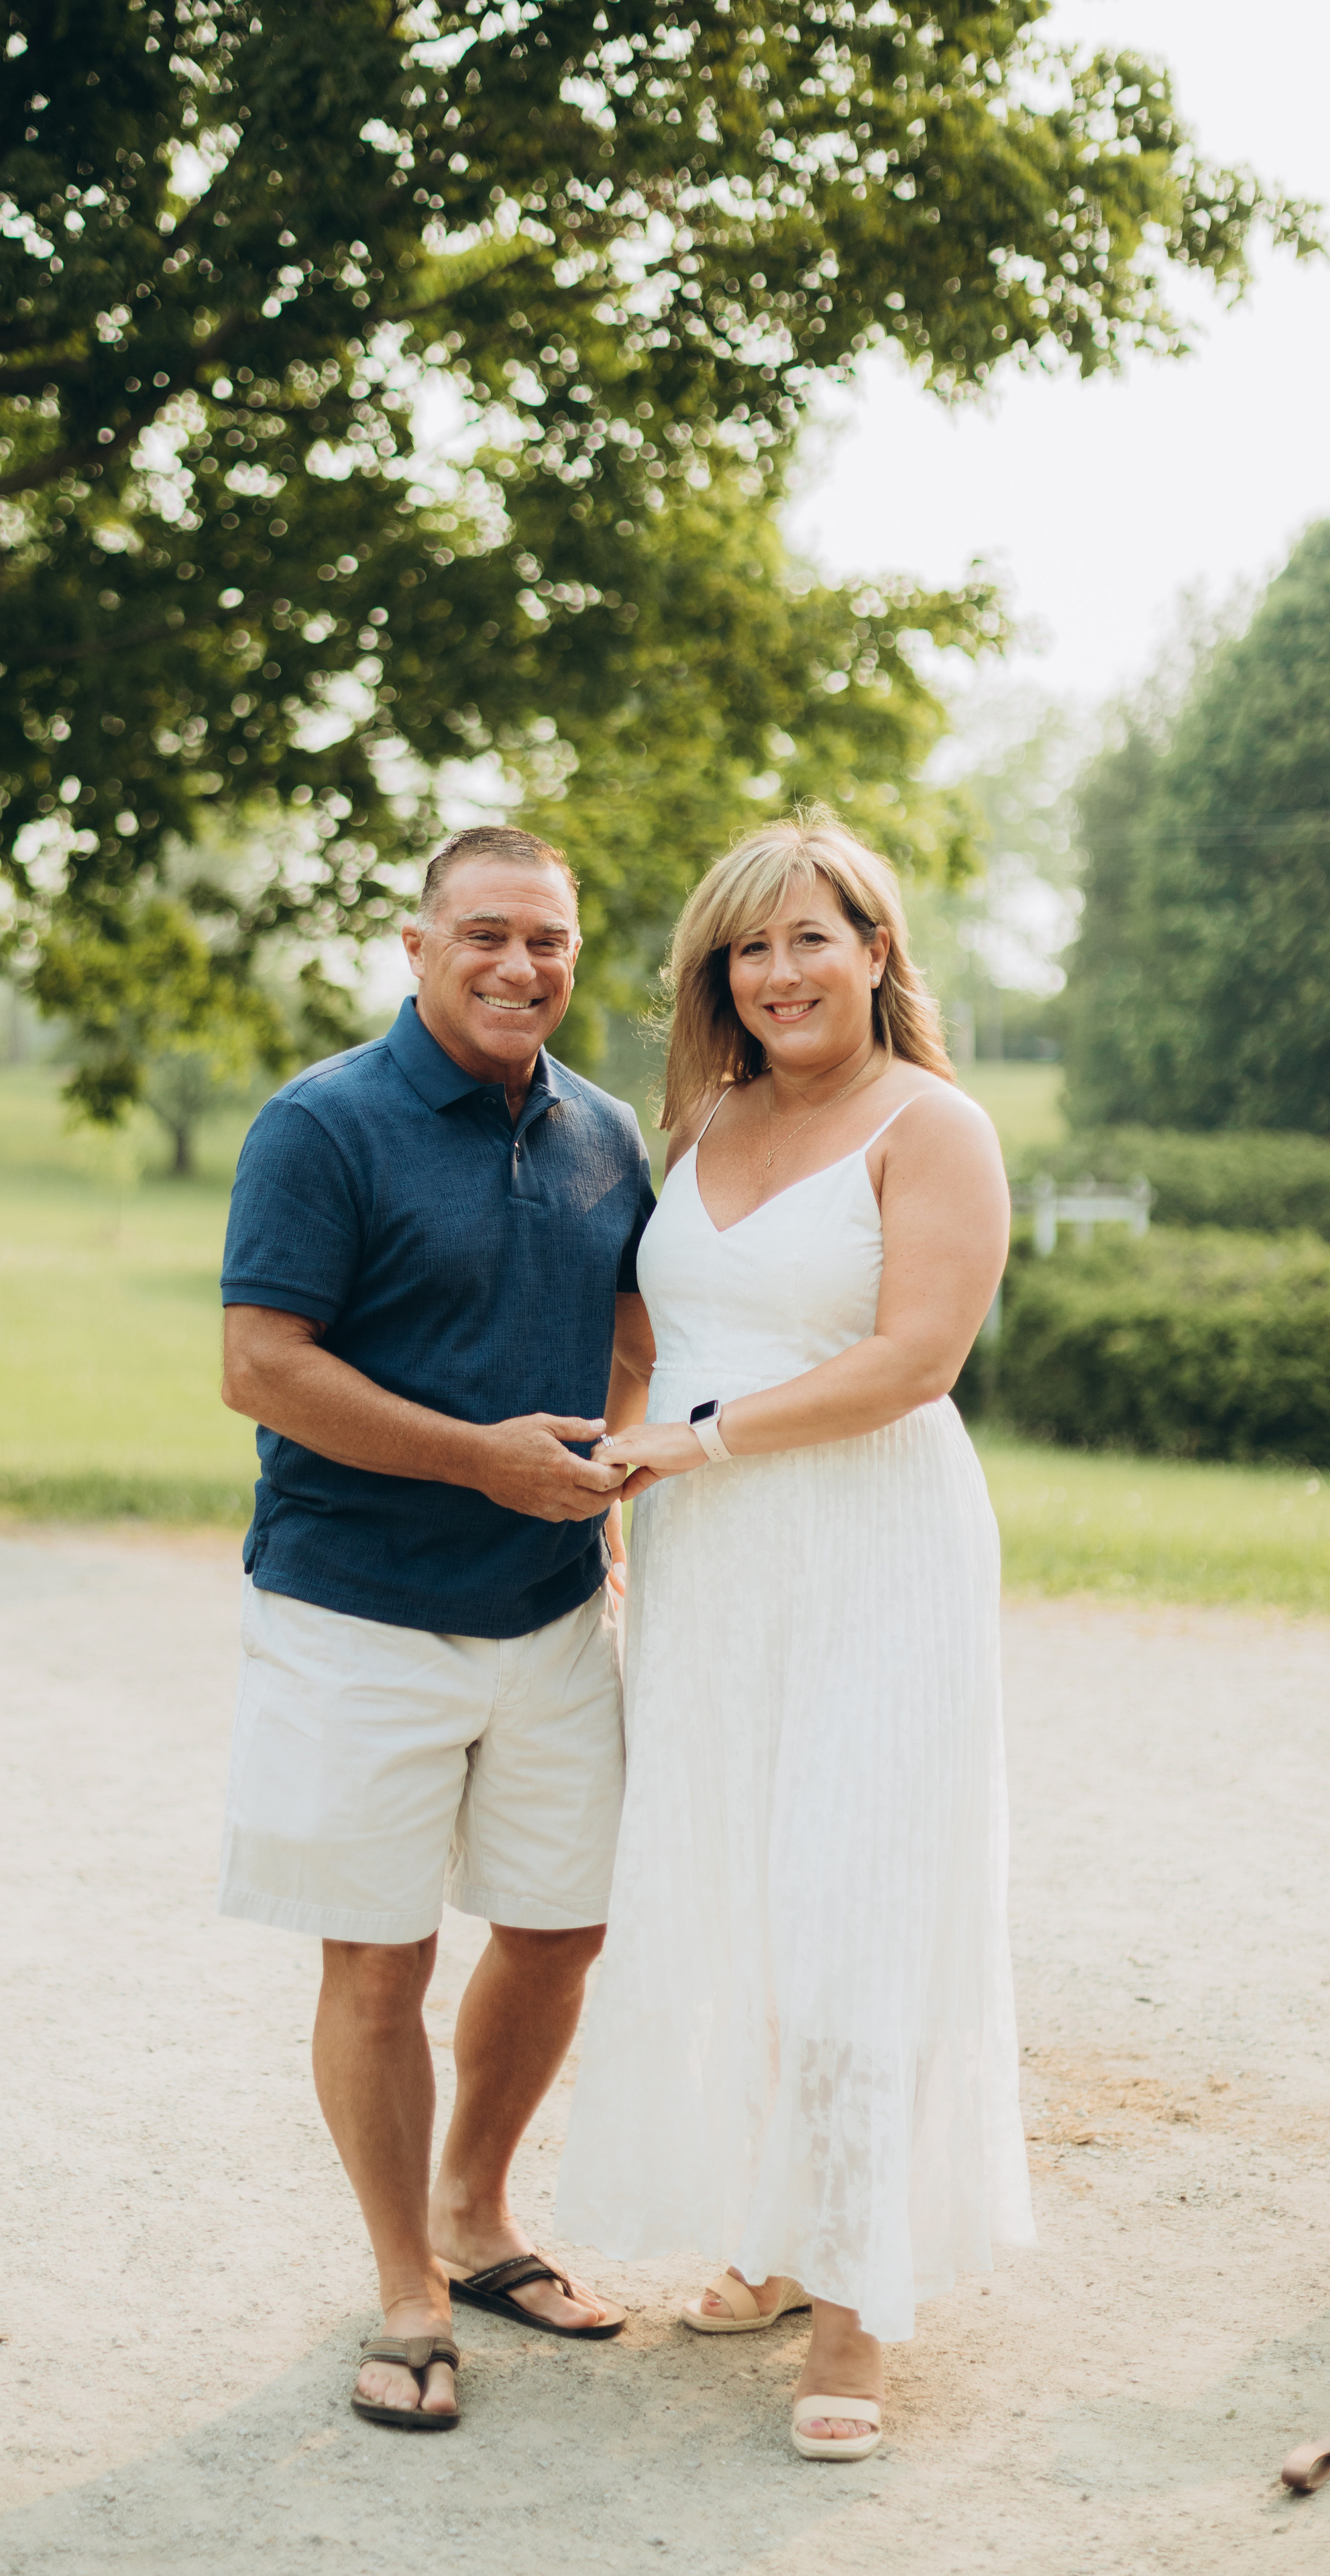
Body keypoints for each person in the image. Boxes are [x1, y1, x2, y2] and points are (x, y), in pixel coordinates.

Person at [555, 809, 1036, 2463]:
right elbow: (655, 1326)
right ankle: (765, 2241)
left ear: (877, 950)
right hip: (707, 1561)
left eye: (808, 937)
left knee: (854, 1901)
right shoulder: (700, 1121)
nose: (775, 972)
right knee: (741, 1891)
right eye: (745, 948)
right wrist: (619, 1478)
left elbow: (914, 1360)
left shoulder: (934, 1126)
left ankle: (855, 2309)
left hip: (870, 1549)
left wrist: (700, 1439)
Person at [217, 824, 655, 2431]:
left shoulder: (608, 1134)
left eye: (546, 939)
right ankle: (404, 2283)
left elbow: (632, 1328)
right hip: (355, 1612)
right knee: (378, 1953)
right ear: (415, 948)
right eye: (483, 934)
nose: (518, 966)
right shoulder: (319, 1125)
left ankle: (476, 2214)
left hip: (547, 1614)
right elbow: (261, 1367)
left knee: (559, 1927)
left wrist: (598, 1480)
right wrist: (480, 1460)